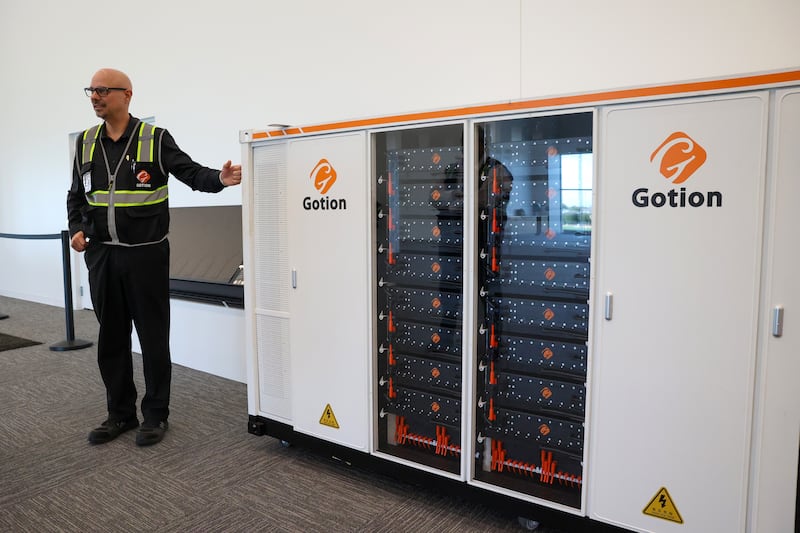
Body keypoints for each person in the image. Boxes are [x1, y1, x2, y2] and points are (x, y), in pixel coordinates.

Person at [66, 68, 242, 446]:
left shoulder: (154, 139)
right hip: (102, 258)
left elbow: (190, 173)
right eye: (91, 91)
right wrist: (78, 227)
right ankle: (120, 415)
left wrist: (220, 180)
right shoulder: (85, 143)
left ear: (126, 95)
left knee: (152, 339)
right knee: (111, 338)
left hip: (146, 257)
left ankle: (156, 416)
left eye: (102, 90)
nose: (95, 97)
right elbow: (77, 196)